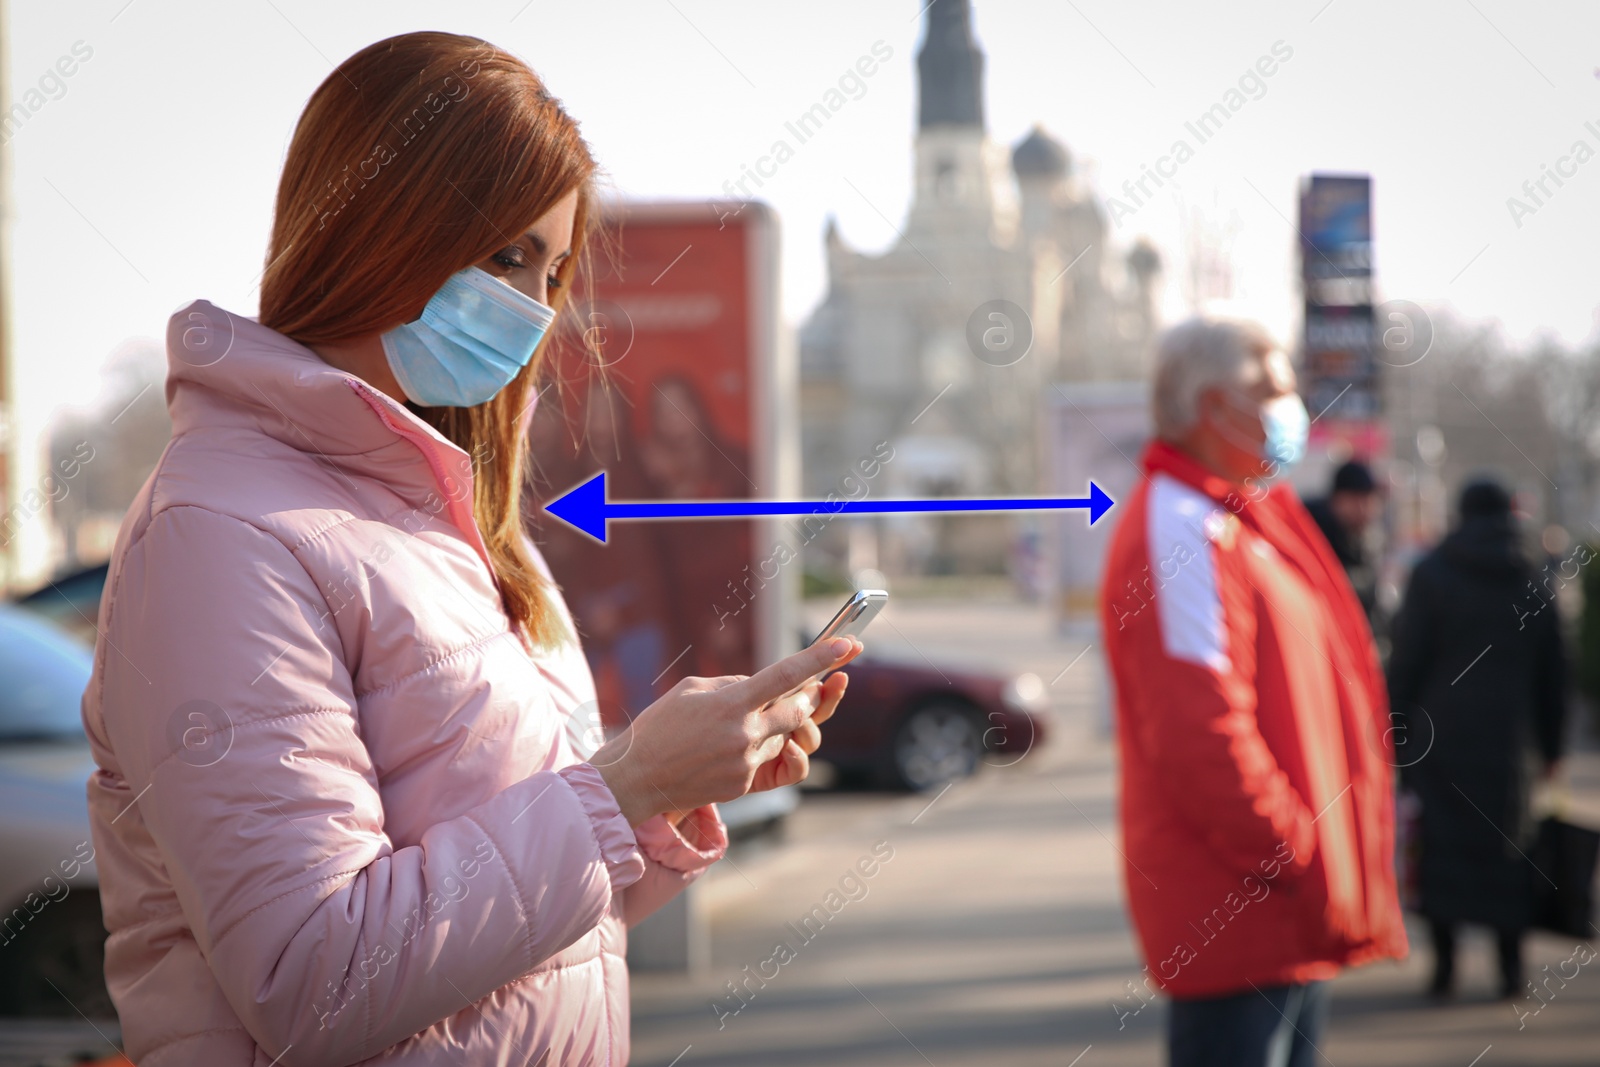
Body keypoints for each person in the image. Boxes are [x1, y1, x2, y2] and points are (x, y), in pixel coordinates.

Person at [78, 33, 862, 1065]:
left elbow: (507, 950)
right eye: (503, 256)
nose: (529, 310)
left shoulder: (457, 523)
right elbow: (313, 977)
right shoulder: (220, 538)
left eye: (548, 268)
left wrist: (662, 792)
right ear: (376, 223)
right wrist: (618, 787)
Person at [1100, 318, 1407, 1067]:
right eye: (1270, 388)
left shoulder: (1236, 514)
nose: (1291, 404)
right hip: (1243, 915)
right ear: (1211, 407)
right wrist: (1298, 854)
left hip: (1278, 916)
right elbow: (1199, 734)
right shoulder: (1182, 526)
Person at [1386, 478, 1568, 1000]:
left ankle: (1444, 968)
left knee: (1442, 849)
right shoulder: (1532, 577)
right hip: (1510, 745)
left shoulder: (1432, 574)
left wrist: (1396, 733)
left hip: (1437, 739)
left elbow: (1407, 662)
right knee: (1508, 850)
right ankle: (1511, 969)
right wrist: (1552, 747)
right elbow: (1553, 671)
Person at [1304, 459, 1383, 632]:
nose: (1363, 509)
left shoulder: (1363, 542)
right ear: (1337, 499)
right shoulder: (1312, 536)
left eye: (1368, 500)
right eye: (1356, 499)